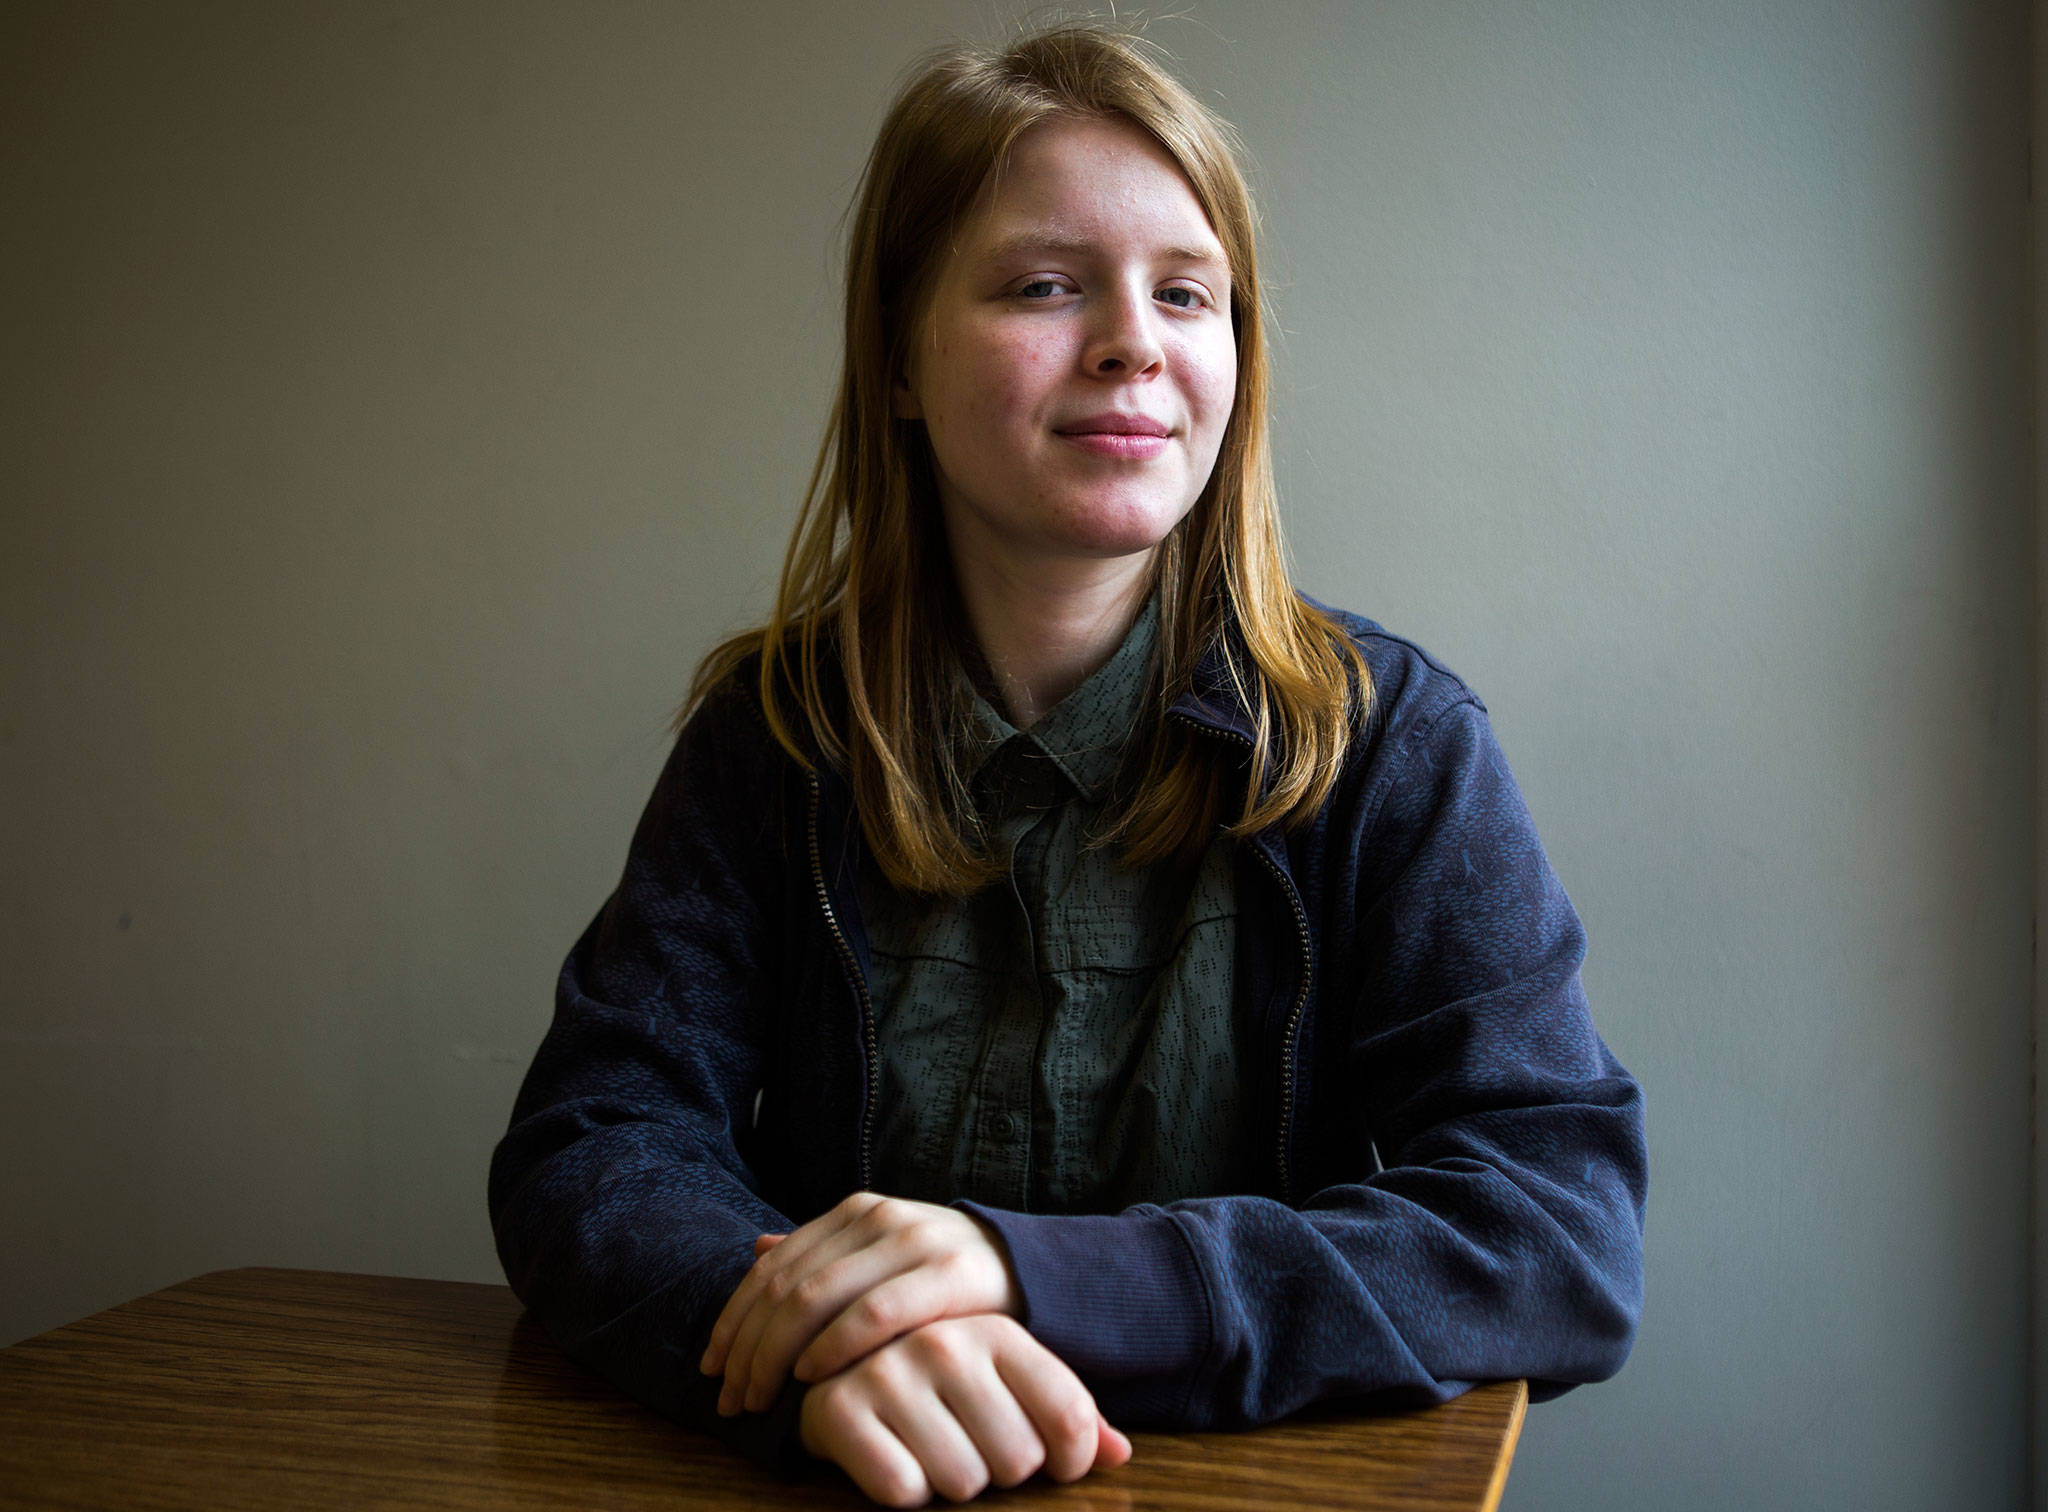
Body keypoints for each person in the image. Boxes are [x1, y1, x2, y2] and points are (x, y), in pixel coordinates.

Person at [488, 22, 1647, 1509]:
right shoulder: (777, 736)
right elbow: (595, 1146)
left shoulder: (1391, 745)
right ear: (898, 358)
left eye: (1186, 293)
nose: (1133, 341)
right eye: (1046, 285)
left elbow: (1554, 1231)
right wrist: (830, 1342)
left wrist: (1024, 1275)